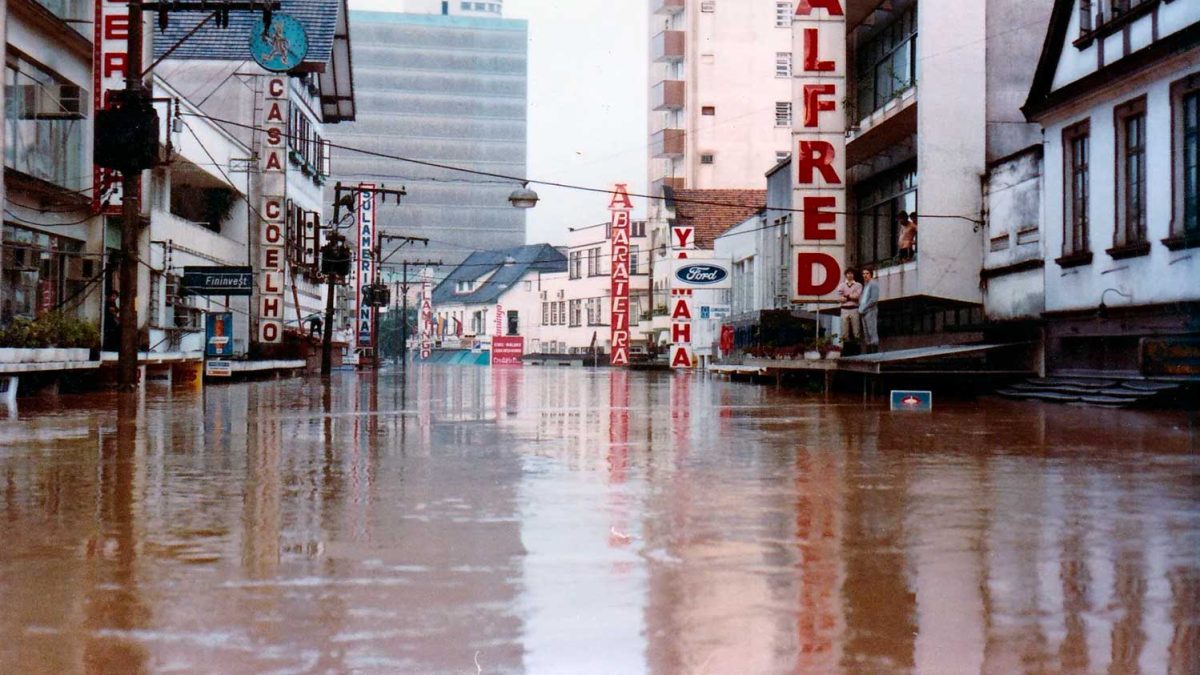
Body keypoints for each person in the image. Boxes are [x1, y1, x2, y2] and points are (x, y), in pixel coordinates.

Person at [837, 268, 862, 347]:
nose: (850, 275)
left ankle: (857, 347)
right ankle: (845, 348)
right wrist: (850, 296)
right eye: (848, 273)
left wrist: (846, 296)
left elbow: (857, 296)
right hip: (844, 309)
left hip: (854, 308)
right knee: (844, 330)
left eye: (851, 273)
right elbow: (839, 298)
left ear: (854, 275)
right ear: (846, 275)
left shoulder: (858, 285)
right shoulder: (841, 285)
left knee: (856, 329)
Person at [859, 266, 880, 353]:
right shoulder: (865, 285)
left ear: (871, 274)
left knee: (872, 331)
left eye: (867, 273)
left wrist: (864, 308)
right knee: (866, 333)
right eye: (863, 274)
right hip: (863, 311)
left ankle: (874, 352)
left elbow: (874, 299)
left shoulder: (874, 284)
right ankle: (868, 353)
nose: (865, 275)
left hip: (870, 310)